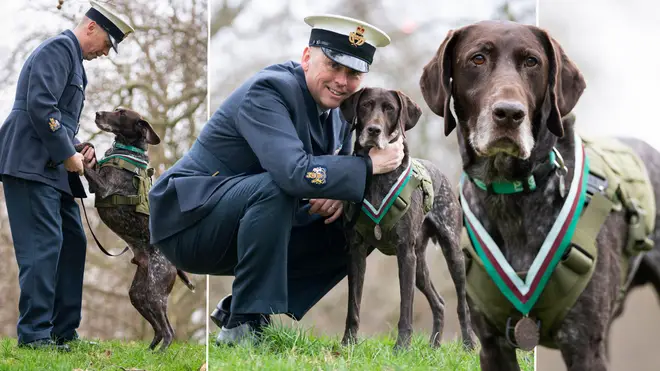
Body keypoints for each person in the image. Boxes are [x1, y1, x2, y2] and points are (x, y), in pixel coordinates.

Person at [148, 14, 403, 345]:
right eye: (333, 66)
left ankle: (242, 307)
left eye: (353, 73)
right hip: (188, 223)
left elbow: (323, 175)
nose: (341, 80)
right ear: (307, 58)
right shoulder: (269, 90)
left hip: (250, 223)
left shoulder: (341, 114)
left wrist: (342, 191)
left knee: (358, 219)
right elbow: (293, 173)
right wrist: (366, 167)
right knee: (277, 186)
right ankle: (243, 323)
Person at [0, 1, 134, 351]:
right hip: (29, 163)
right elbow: (40, 105)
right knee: (43, 248)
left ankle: (63, 332)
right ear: (91, 27)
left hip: (53, 168)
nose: (106, 52)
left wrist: (78, 146)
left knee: (72, 242)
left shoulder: (75, 62)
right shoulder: (59, 48)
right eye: (107, 42)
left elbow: (57, 117)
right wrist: (67, 152)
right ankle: (34, 336)